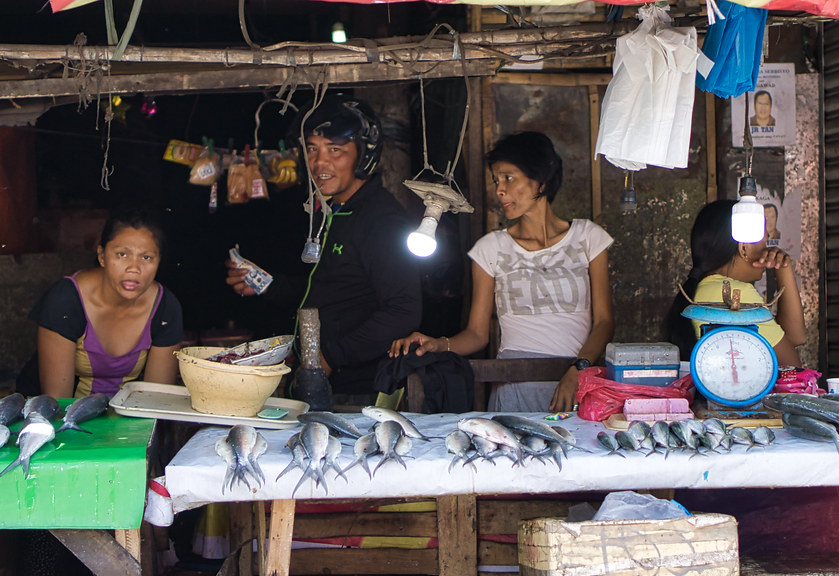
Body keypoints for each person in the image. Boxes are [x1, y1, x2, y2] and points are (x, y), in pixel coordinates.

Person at [389, 131, 615, 412]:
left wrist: (578, 369)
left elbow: (604, 322)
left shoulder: (588, 237)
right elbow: (477, 334)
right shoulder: (490, 248)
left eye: (509, 178)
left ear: (541, 179)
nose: (499, 190)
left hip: (575, 384)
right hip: (514, 387)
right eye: (496, 180)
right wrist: (438, 344)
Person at [225, 94, 422, 398]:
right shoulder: (335, 212)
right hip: (326, 383)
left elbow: (403, 309)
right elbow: (334, 289)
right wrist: (268, 285)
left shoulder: (381, 221)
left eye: (335, 150)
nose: (319, 163)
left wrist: (330, 357)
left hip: (362, 392)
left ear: (363, 155)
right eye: (312, 149)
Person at [20, 207, 183, 398]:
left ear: (158, 261)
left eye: (146, 257)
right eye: (122, 254)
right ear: (102, 256)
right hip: (66, 414)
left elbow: (155, 399)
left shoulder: (164, 307)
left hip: (129, 415)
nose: (134, 268)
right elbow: (57, 401)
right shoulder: (67, 300)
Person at [667, 199, 805, 367]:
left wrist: (783, 267)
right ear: (744, 248)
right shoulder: (733, 292)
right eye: (765, 241)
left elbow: (793, 337)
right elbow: (792, 367)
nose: (768, 249)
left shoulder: (705, 288)